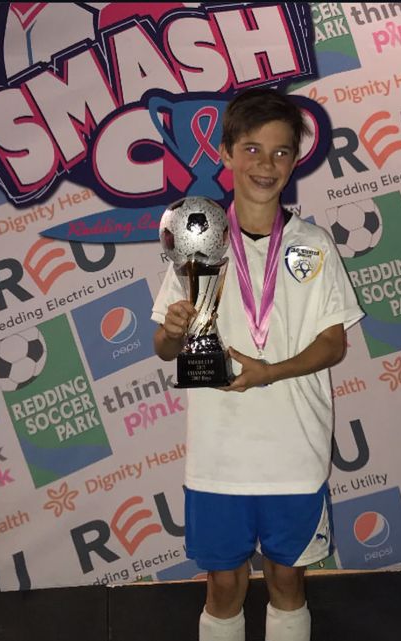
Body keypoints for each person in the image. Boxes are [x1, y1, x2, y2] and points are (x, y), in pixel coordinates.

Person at [151, 87, 364, 641]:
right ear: (226, 152)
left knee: (287, 580)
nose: (265, 165)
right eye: (251, 149)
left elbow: (334, 343)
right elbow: (165, 347)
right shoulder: (199, 240)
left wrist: (269, 371)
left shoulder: (313, 244)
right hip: (219, 454)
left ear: (294, 160)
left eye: (280, 152)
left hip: (295, 450)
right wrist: (172, 330)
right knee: (223, 588)